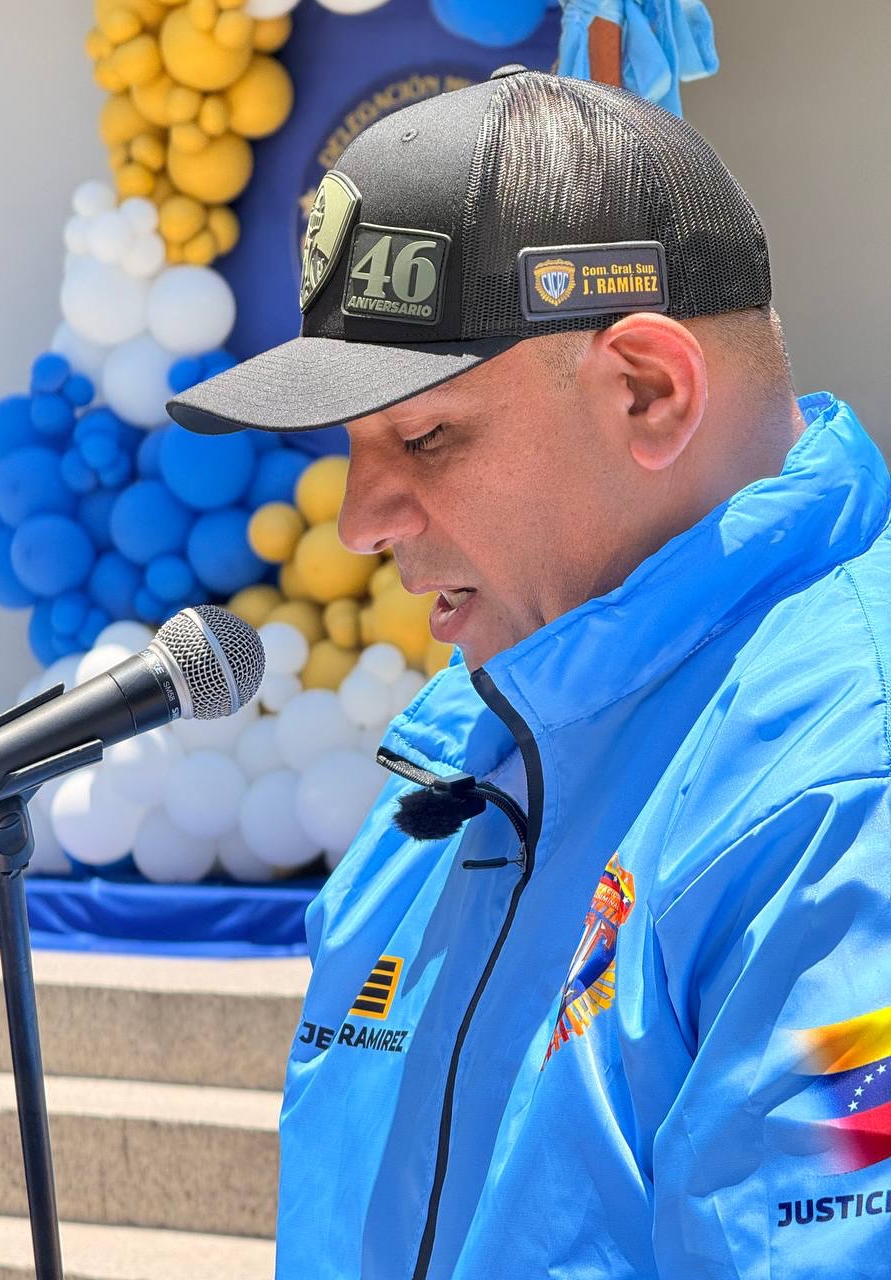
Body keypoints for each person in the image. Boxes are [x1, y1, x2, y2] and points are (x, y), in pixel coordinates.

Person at [168, 69, 891, 1279]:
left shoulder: (845, 787)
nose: (359, 521)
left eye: (425, 435)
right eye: (352, 448)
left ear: (649, 392)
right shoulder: (456, 758)